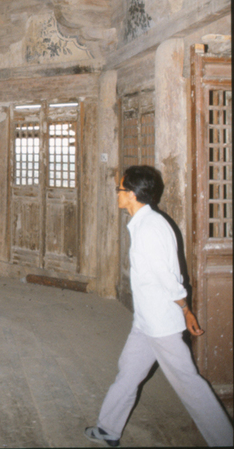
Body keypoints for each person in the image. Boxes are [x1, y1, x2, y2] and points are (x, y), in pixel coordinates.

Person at [85, 165, 233, 448]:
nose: (117, 194)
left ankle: (225, 441)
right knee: (129, 372)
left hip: (161, 324)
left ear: (131, 194)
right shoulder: (145, 222)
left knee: (189, 384)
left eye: (119, 189)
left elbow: (167, 279)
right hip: (146, 321)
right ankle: (108, 429)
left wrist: (185, 310)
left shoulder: (149, 229)